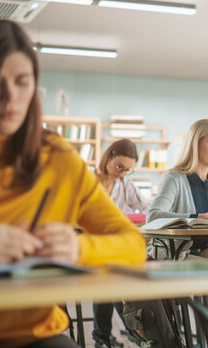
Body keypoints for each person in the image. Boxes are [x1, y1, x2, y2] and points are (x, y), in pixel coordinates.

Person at [0, 18, 146, 348]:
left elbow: (133, 245)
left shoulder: (58, 159)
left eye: (21, 81)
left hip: (35, 335)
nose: (9, 97)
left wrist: (78, 249)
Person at [146, 119, 208, 261]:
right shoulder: (174, 178)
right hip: (175, 254)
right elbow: (153, 216)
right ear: (196, 144)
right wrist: (199, 217)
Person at [92, 139, 151, 348]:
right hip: (91, 245)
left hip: (116, 247)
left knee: (116, 281)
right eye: (119, 167)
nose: (122, 173)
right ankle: (127, 332)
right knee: (109, 281)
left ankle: (104, 337)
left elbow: (146, 209)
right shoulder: (89, 180)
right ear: (108, 156)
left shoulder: (125, 183)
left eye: (127, 170)